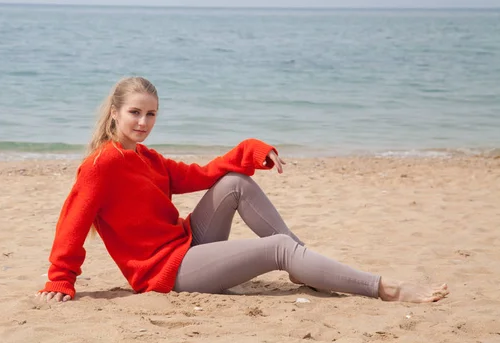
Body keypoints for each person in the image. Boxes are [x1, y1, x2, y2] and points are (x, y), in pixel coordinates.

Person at [37, 76, 449, 303]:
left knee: (235, 182)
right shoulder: (101, 166)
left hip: (184, 243)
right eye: (135, 113)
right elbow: (72, 223)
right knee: (279, 249)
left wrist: (254, 150)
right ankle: (386, 289)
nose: (143, 122)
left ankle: (306, 267)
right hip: (165, 273)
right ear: (114, 113)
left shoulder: (147, 158)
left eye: (151, 114)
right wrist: (61, 279)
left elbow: (203, 175)